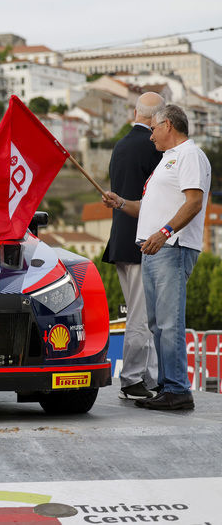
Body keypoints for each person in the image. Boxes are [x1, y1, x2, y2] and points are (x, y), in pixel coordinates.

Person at [102, 104, 210, 411]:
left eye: (153, 130)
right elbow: (146, 208)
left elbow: (194, 202)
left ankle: (177, 389)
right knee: (158, 324)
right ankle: (167, 386)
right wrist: (120, 202)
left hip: (171, 248)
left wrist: (164, 233)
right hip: (154, 249)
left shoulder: (189, 155)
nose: (150, 136)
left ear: (168, 126)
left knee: (168, 322)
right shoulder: (167, 160)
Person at [102, 92, 163, 400]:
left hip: (121, 240)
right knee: (142, 316)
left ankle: (148, 377)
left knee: (140, 313)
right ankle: (132, 379)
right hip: (144, 241)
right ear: (157, 118)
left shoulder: (121, 145)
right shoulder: (153, 147)